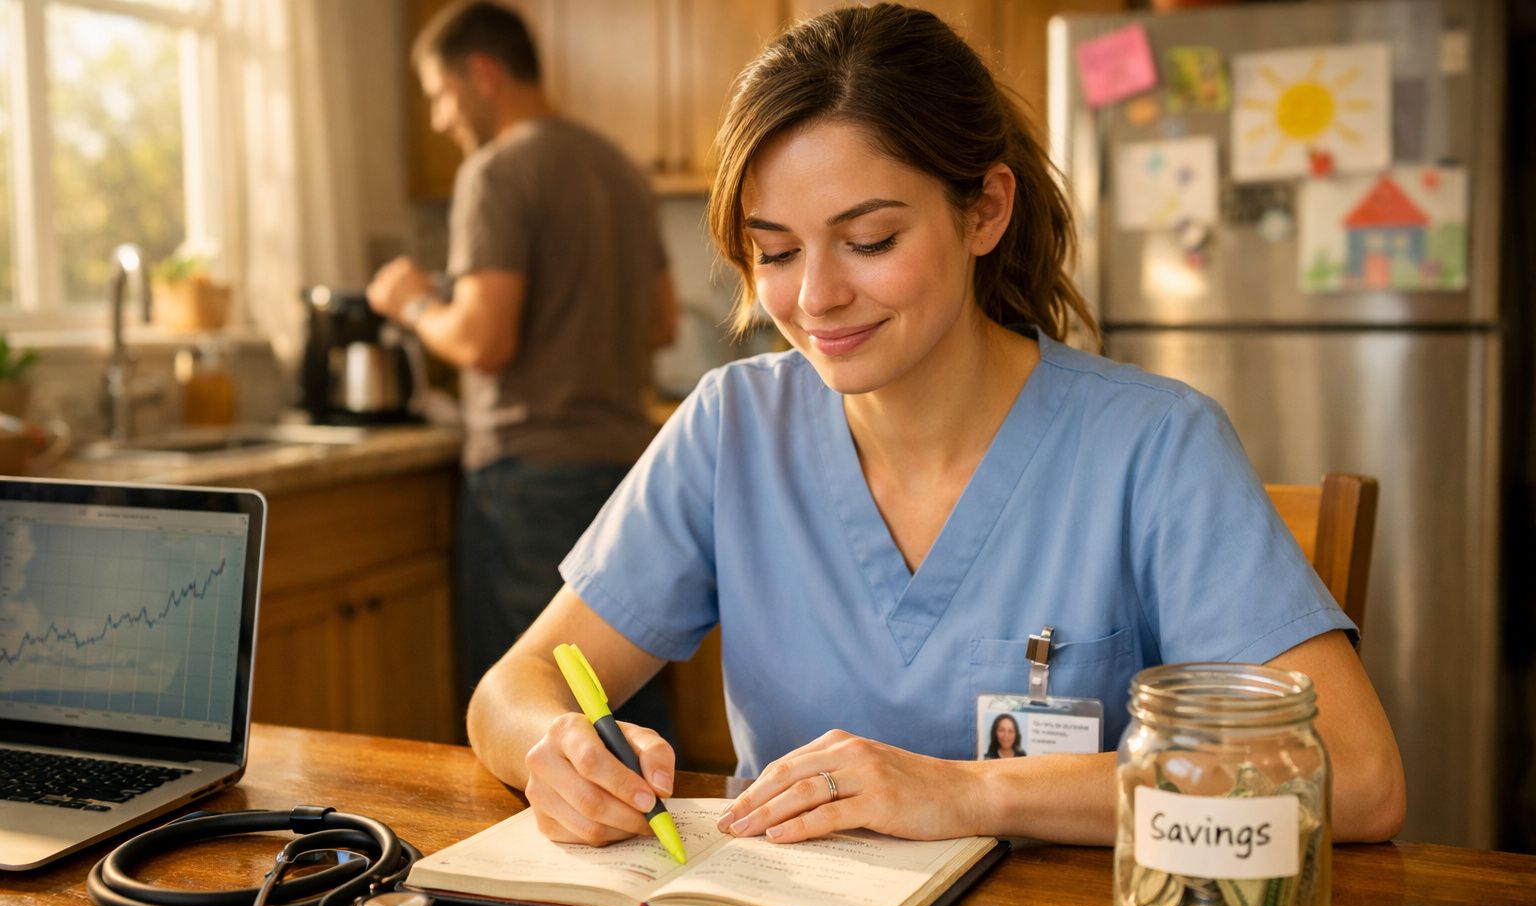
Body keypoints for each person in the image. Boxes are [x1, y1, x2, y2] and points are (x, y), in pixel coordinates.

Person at [465, 3, 1406, 848]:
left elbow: (1356, 779)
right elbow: (513, 687)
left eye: (871, 241)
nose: (818, 297)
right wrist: (554, 748)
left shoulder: (1154, 447)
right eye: (776, 252)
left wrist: (973, 794)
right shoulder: (731, 427)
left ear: (985, 210)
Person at [366, 0, 678, 736]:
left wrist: (412, 304)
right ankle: (674, 847)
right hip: (624, 470)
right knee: (631, 708)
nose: (441, 119)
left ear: (483, 73)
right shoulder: (622, 169)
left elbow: (483, 340)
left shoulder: (498, 169)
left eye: (442, 94)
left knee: (537, 720)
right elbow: (662, 322)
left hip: (530, 477)